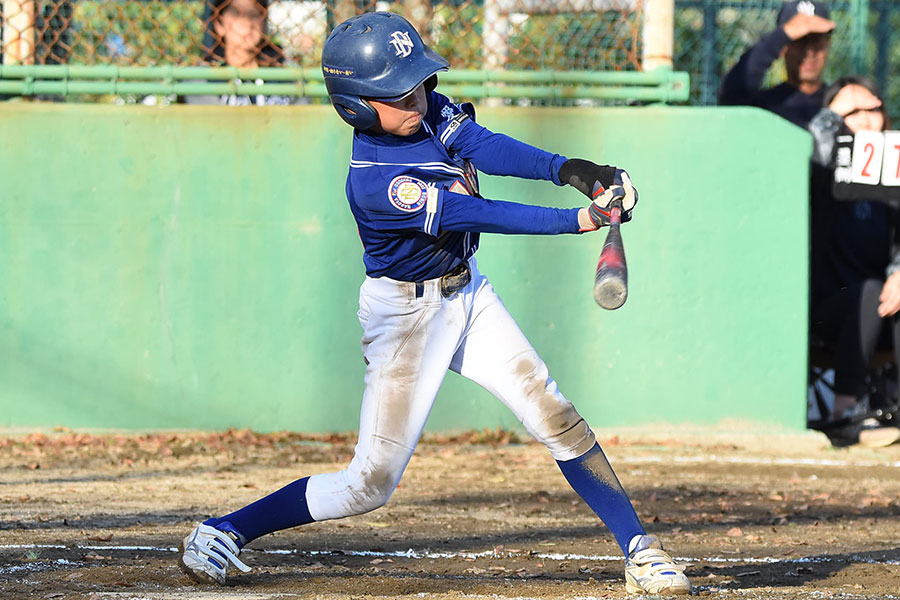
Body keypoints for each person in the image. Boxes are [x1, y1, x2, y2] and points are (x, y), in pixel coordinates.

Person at [177, 11, 692, 596]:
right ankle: (226, 530)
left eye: (420, 83)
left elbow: (482, 145)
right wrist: (579, 220)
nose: (418, 99)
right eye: (400, 93)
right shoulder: (377, 180)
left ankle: (639, 550)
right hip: (406, 319)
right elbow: (476, 212)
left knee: (555, 414)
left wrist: (573, 170)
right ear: (358, 106)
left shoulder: (426, 112)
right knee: (368, 486)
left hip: (466, 292)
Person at [808, 75, 900, 447]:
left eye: (872, 109)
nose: (863, 119)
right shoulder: (823, 169)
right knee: (870, 291)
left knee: (887, 292)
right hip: (827, 311)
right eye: (852, 111)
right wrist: (832, 112)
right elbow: (817, 139)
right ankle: (843, 412)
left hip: (884, 309)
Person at [718, 0, 835, 128]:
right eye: (799, 41)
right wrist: (781, 36)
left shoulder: (839, 101)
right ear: (783, 47)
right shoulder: (767, 106)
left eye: (816, 40)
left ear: (828, 43)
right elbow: (731, 93)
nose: (810, 52)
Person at [183, 0, 297, 106]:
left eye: (254, 14)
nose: (247, 23)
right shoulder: (203, 77)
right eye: (236, 14)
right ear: (219, 25)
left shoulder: (287, 73)